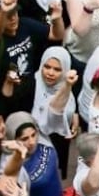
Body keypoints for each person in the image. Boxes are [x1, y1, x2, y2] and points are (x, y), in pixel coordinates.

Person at [0, 113, 63, 196]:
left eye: (33, 135)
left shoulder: (41, 137)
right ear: (13, 139)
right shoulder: (10, 166)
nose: (32, 142)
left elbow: (53, 112)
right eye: (24, 139)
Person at [30, 48, 79, 179]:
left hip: (58, 140)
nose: (50, 73)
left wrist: (74, 114)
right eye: (47, 67)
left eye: (57, 69)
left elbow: (69, 103)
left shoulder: (66, 85)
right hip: (34, 139)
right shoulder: (32, 84)